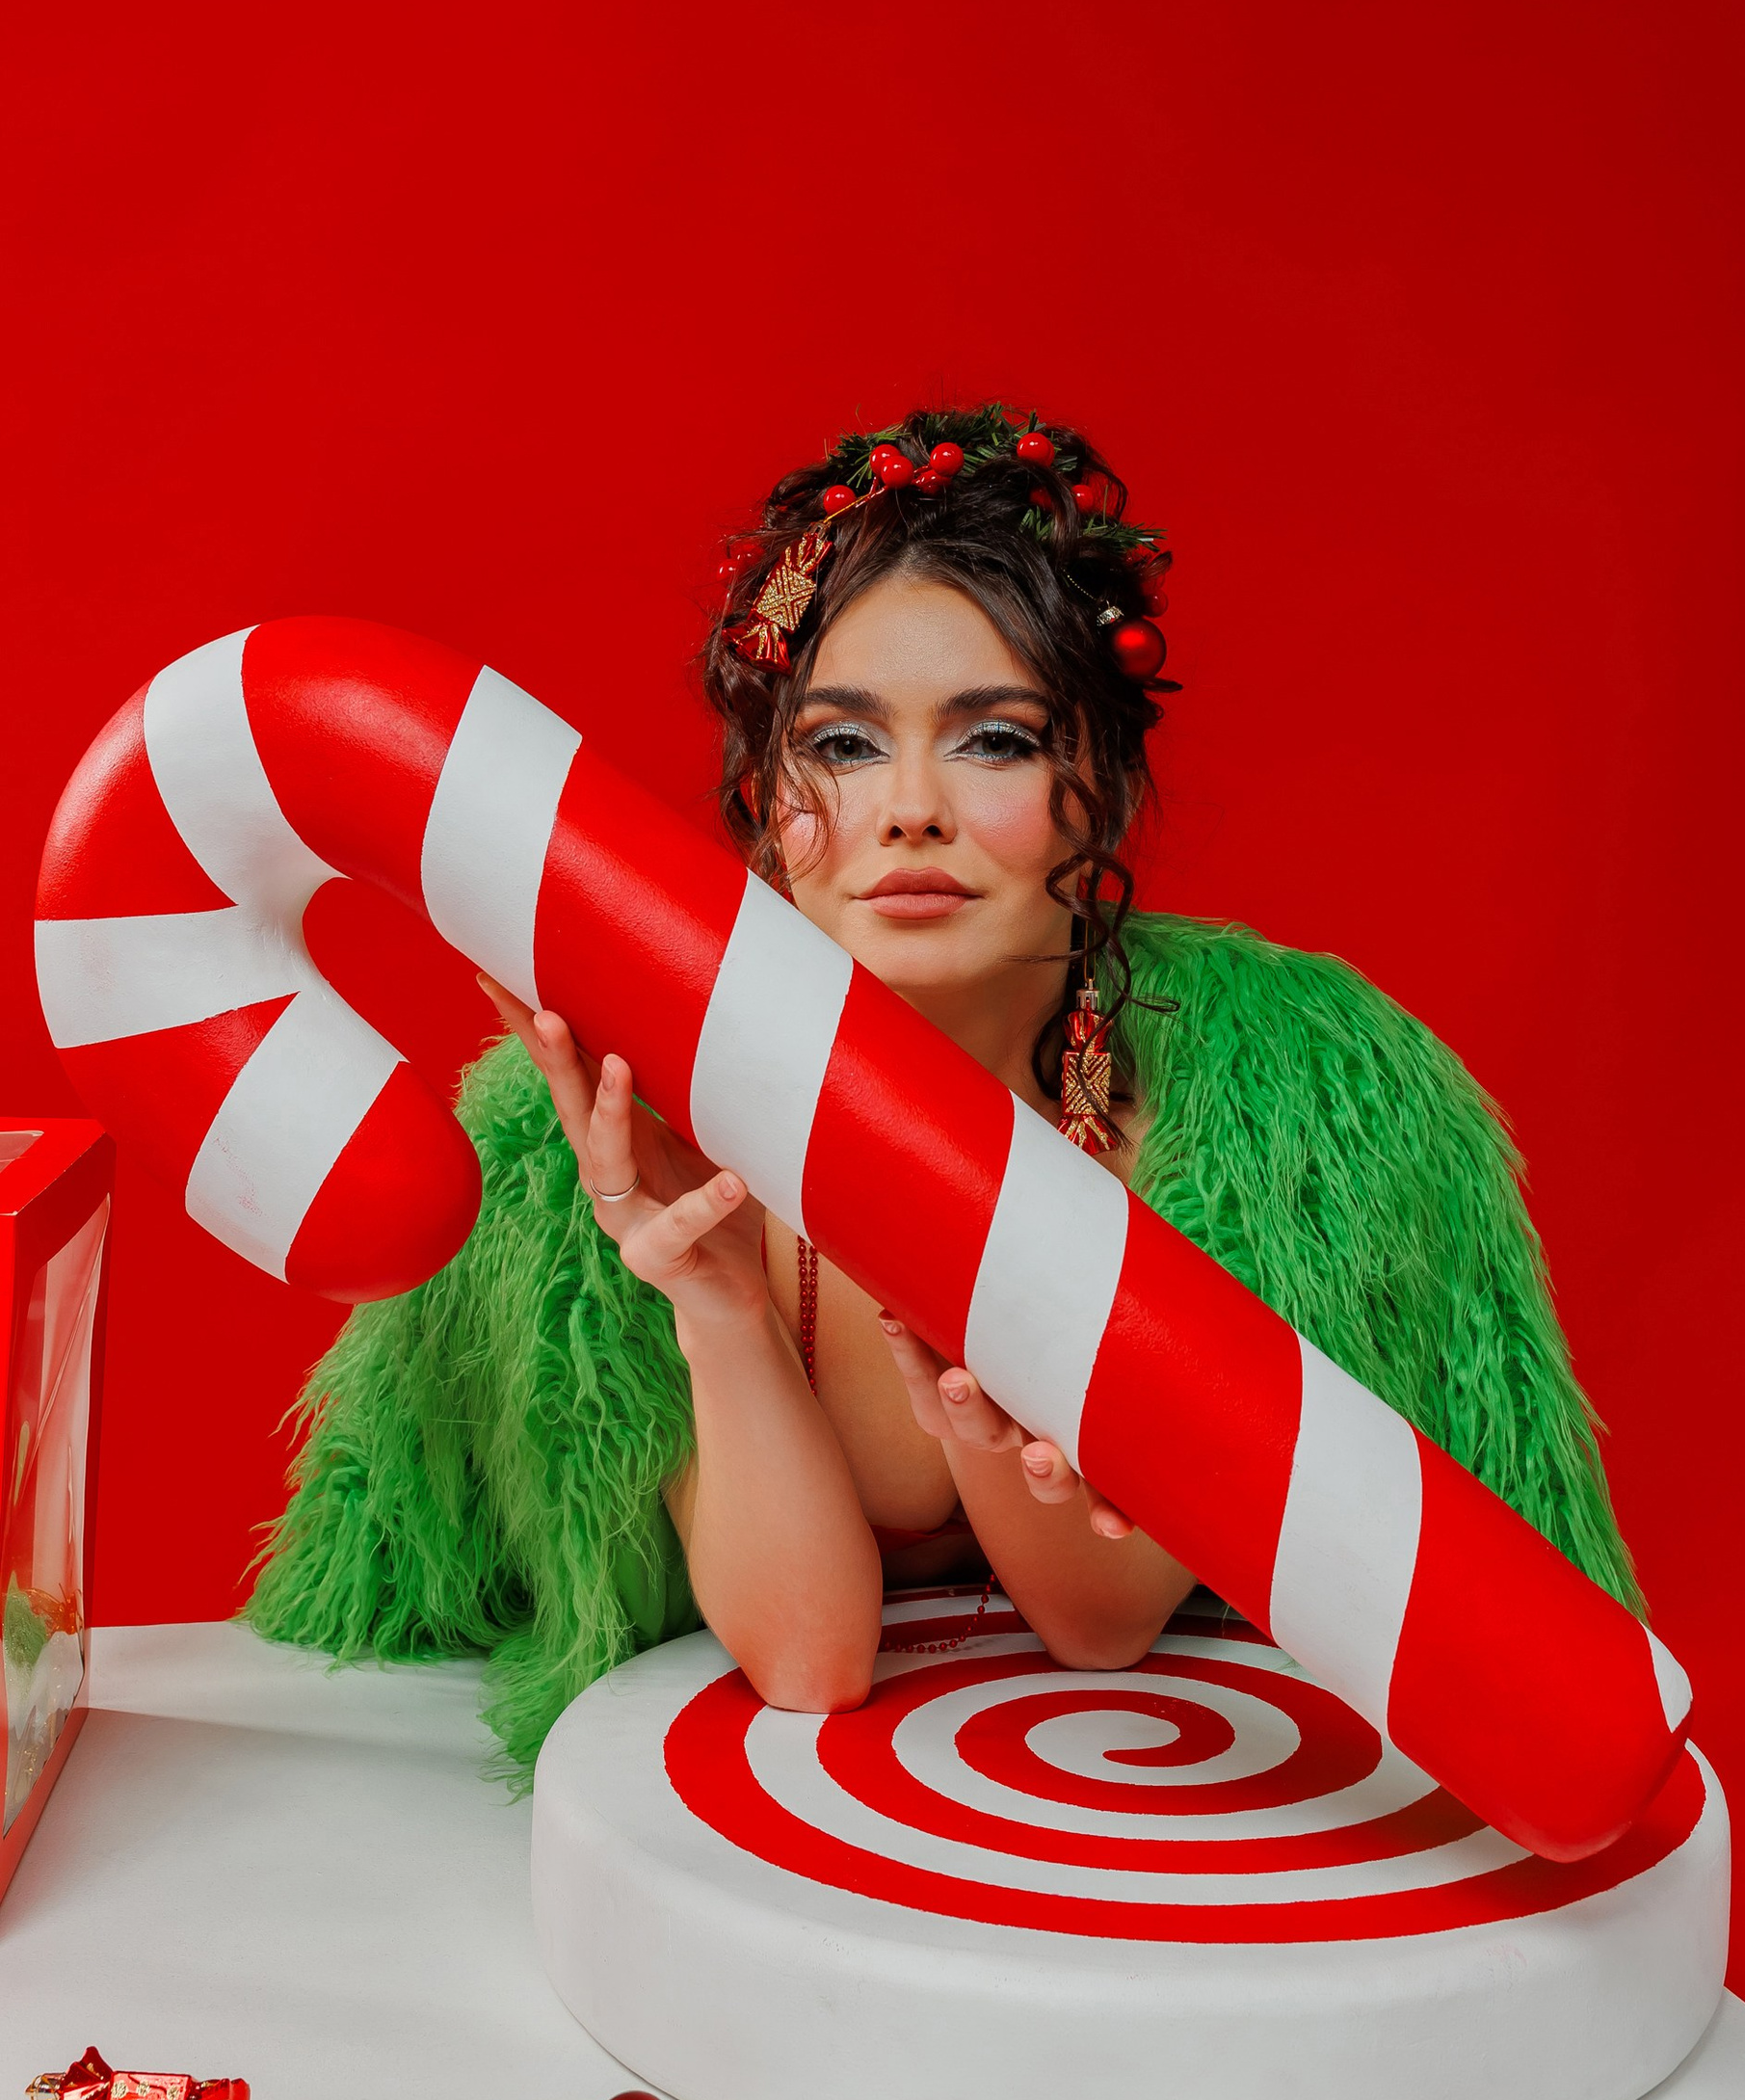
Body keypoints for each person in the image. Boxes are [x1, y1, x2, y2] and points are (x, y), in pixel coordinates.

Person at [249, 405, 1640, 1778]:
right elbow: (806, 1664)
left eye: (995, 741)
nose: (911, 808)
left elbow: (1104, 1626)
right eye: (845, 746)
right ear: (766, 803)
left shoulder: (1257, 1128)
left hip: (1166, 1827)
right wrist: (719, 1306)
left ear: (1097, 789)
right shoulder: (635, 1127)